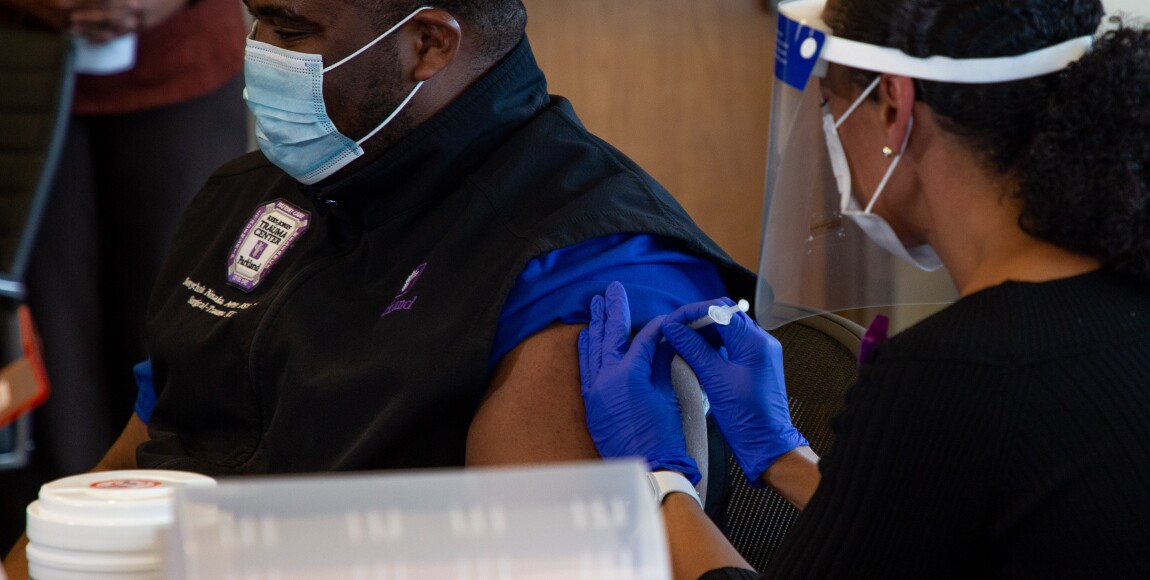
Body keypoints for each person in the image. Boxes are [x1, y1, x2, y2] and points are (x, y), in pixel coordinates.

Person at [577, 0, 1150, 578]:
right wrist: (782, 455)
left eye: (832, 103)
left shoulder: (964, 374)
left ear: (894, 109)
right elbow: (965, 514)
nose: (829, 139)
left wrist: (659, 481)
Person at [3, 0, 752, 576]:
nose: (257, 53)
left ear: (429, 42)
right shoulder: (252, 193)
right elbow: (149, 452)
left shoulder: (581, 266)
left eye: (291, 30)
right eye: (255, 18)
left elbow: (528, 559)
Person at [0, 0, 247, 550]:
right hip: (19, 67)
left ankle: (167, 543)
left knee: (190, 326)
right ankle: (49, 548)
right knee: (44, 351)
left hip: (185, 69)